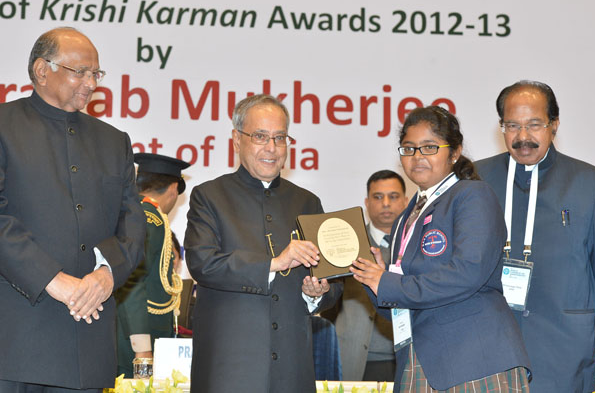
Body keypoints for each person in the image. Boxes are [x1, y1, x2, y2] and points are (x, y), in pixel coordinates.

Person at [0, 27, 145, 391]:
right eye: (79, 71)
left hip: (87, 341)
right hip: (16, 340)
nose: (91, 82)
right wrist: (53, 279)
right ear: (41, 70)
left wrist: (106, 274)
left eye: (96, 73)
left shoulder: (114, 142)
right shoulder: (4, 126)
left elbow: (133, 223)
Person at [351, 106, 530, 392]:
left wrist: (389, 283)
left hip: (472, 361)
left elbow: (467, 272)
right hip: (419, 361)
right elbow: (402, 305)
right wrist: (373, 281)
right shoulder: (405, 218)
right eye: (408, 149)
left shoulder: (472, 195)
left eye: (429, 147)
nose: (417, 157)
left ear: (455, 152)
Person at [184, 94, 343, 393]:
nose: (271, 148)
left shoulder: (308, 202)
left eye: (280, 138)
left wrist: (316, 293)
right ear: (236, 140)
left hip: (292, 372)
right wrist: (275, 263)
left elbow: (332, 283)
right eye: (260, 136)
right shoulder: (209, 197)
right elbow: (202, 263)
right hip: (228, 371)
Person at [476, 80, 595, 393]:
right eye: (512, 126)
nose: (523, 138)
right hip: (486, 349)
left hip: (565, 353)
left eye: (534, 125)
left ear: (554, 125)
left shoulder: (589, 183)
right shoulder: (474, 180)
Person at [115, 153, 190, 377]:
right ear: (173, 189)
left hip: (129, 338)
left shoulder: (133, 213)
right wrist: (144, 350)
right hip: (135, 345)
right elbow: (133, 282)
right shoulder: (151, 219)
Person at [333, 170, 407, 381]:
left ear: (406, 201)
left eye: (393, 196)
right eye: (377, 197)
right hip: (353, 358)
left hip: (406, 358)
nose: (385, 203)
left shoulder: (417, 246)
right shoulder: (346, 243)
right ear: (366, 202)